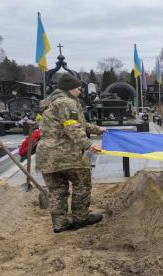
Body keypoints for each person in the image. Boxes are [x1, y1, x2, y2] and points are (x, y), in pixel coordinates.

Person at [36, 73, 106, 233]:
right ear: (70, 89)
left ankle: (60, 224)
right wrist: (88, 145)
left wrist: (98, 129)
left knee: (57, 190)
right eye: (78, 88)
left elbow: (78, 123)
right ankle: (81, 218)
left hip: (47, 156)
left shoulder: (52, 103)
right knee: (82, 184)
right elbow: (72, 127)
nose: (80, 90)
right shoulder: (67, 103)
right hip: (66, 154)